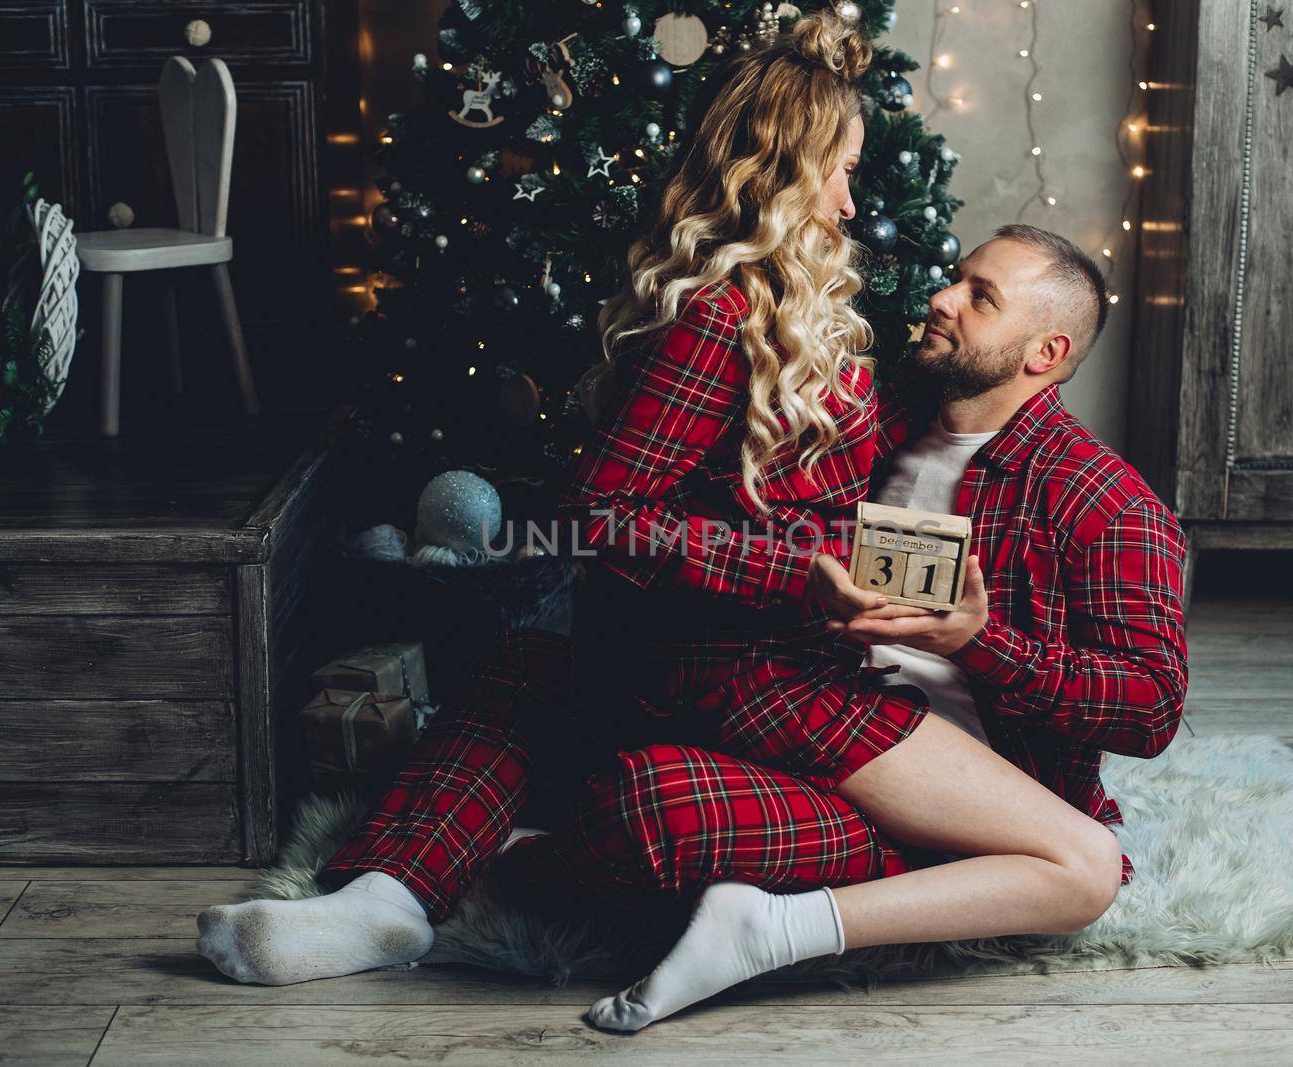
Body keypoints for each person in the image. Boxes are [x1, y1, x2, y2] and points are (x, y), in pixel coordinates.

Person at [195, 9, 914, 986]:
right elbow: (600, 514)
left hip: (774, 659)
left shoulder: (810, 316)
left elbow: (805, 506)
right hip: (719, 647)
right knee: (524, 677)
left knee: (522, 684)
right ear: (779, 173)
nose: (848, 197)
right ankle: (387, 898)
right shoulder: (721, 315)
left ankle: (402, 890)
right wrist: (800, 569)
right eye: (837, 168)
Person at [495, 224, 1189, 1031]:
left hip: (966, 784)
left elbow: (1149, 706)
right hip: (812, 713)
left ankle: (787, 923)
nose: (941, 298)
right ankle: (928, 889)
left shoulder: (1103, 500)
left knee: (658, 805)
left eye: (979, 296)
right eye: (955, 278)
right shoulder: (869, 415)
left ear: (1043, 352)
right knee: (643, 786)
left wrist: (978, 644)